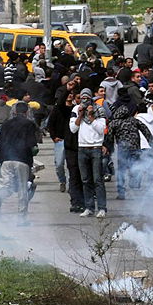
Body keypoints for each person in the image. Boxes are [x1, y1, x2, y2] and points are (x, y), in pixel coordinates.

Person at [0, 102, 38, 221]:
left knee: (7, 185)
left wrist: (1, 159)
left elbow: (0, 141)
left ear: (14, 112)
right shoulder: (29, 124)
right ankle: (21, 219)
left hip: (6, 160)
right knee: (22, 189)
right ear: (26, 112)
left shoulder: (6, 124)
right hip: (22, 159)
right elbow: (32, 144)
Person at [70, 88, 108, 218]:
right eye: (82, 97)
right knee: (85, 180)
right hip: (82, 148)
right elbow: (73, 129)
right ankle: (89, 207)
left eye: (86, 97)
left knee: (98, 179)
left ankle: (102, 208)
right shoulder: (76, 109)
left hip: (96, 147)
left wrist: (91, 116)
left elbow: (102, 129)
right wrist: (81, 115)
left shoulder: (99, 110)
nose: (84, 100)